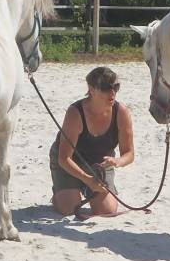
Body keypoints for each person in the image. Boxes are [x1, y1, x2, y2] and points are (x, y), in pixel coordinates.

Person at [49, 66, 134, 217]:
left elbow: (129, 153)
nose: (112, 92)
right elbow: (64, 158)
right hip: (69, 163)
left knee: (106, 210)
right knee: (68, 208)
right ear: (91, 89)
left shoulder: (121, 112)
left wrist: (118, 161)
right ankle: (60, 192)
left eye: (116, 87)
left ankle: (88, 189)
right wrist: (87, 179)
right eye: (106, 87)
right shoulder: (75, 113)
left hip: (99, 165)